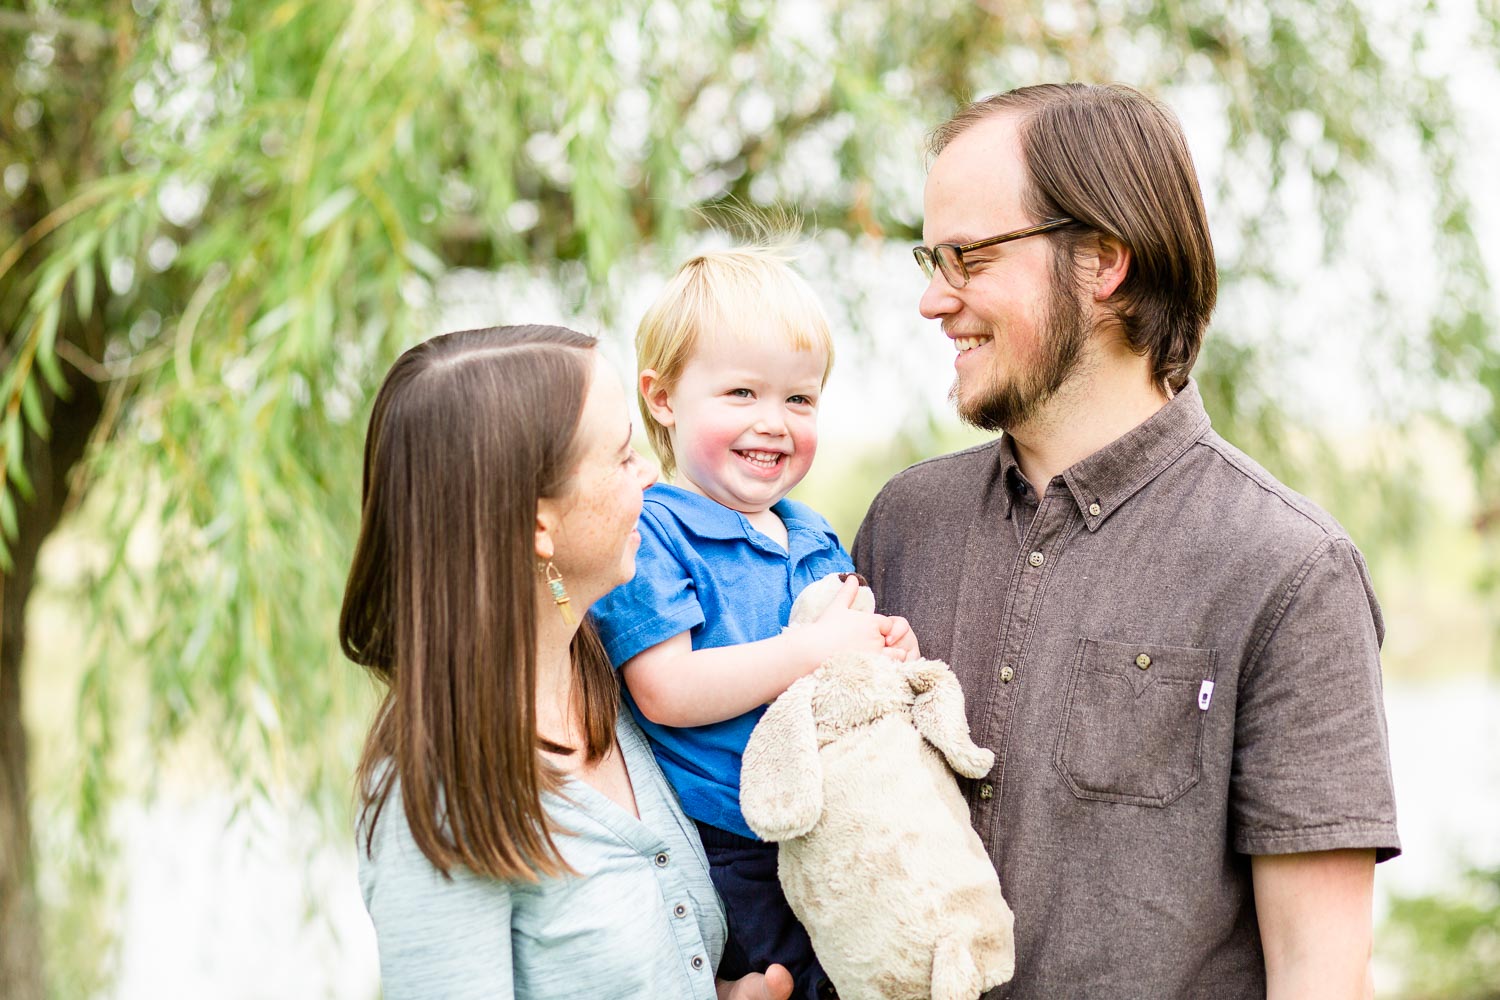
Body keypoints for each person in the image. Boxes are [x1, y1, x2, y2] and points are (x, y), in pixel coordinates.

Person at [852, 84, 1401, 999]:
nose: (931, 301)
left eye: (969, 258)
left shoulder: (1291, 572)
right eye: (930, 258)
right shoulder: (902, 524)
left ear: (1103, 261)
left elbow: (1322, 976)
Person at [341, 324, 793, 1000]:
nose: (649, 475)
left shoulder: (620, 690)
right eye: (621, 457)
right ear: (537, 525)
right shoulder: (435, 798)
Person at [590, 247, 917, 1000]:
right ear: (664, 398)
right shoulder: (655, 532)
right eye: (741, 393)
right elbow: (667, 689)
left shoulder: (810, 532)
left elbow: (844, 657)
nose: (773, 424)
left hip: (831, 827)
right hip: (732, 845)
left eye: (799, 401)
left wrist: (885, 648)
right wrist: (812, 649)